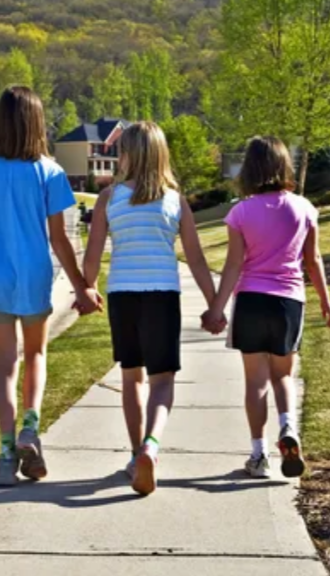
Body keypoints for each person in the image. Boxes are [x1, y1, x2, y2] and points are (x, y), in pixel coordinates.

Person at [0, 86, 102, 487]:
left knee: (5, 366)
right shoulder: (48, 171)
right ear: (38, 123)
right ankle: (30, 430)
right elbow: (59, 238)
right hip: (33, 275)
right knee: (35, 354)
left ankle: (5, 457)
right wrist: (82, 286)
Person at [82, 121, 218, 496]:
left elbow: (93, 254)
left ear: (125, 155)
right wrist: (214, 305)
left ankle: (134, 455)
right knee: (162, 381)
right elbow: (195, 258)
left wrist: (88, 288)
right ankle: (151, 447)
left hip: (123, 295)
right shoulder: (175, 200)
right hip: (161, 295)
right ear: (162, 155)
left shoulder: (109, 198)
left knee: (132, 377)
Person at [202, 136, 330, 479]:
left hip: (250, 301)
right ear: (284, 166)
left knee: (256, 382)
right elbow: (313, 259)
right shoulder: (304, 208)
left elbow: (233, 265)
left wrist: (216, 309)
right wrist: (326, 301)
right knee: (283, 376)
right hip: (289, 302)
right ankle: (288, 428)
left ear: (249, 169)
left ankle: (259, 455)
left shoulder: (240, 212)